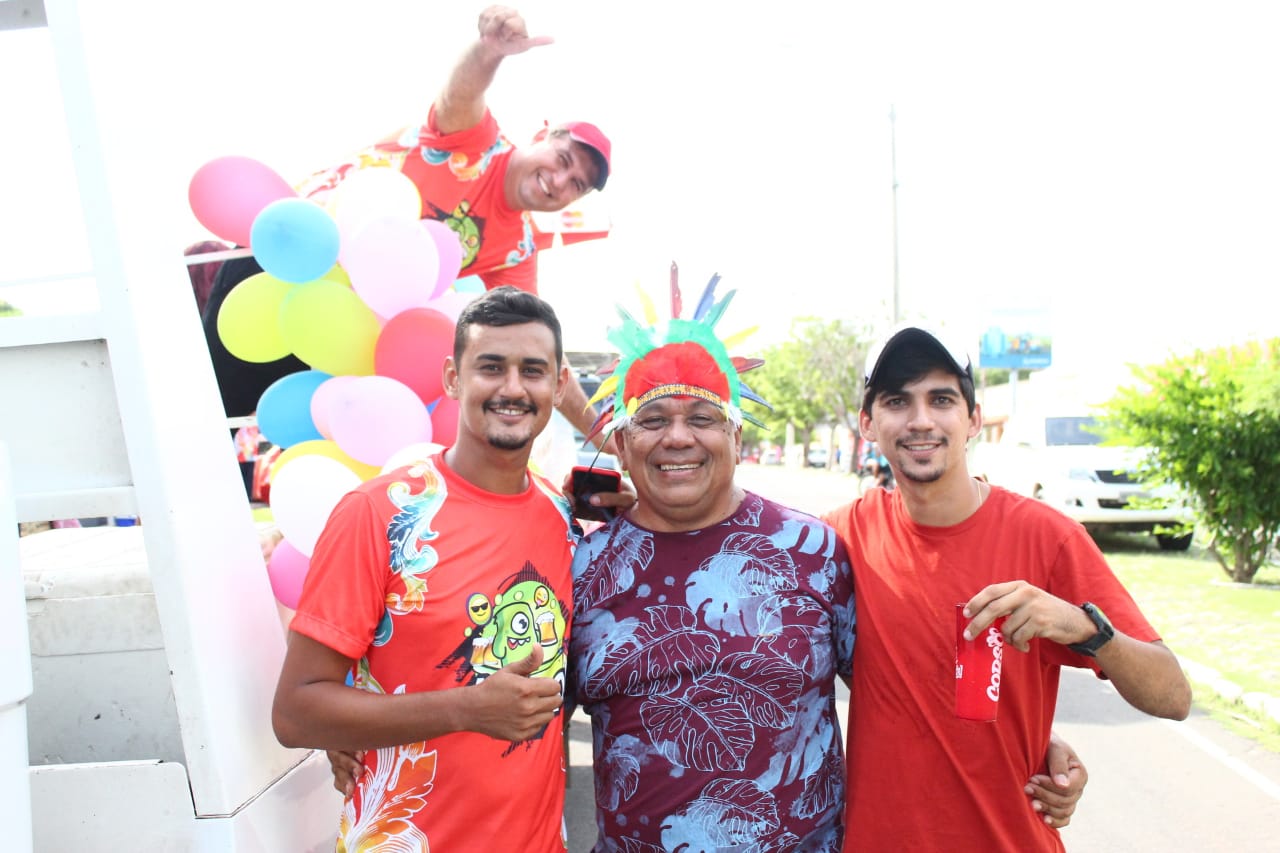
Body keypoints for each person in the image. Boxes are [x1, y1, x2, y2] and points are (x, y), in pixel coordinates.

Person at [823, 325, 1192, 852]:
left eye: (942, 399)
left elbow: (1173, 696)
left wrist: (1081, 625)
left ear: (973, 419)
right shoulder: (837, 540)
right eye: (898, 401)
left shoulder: (1049, 538)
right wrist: (1035, 739)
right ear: (868, 423)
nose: (921, 420)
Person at [203, 5, 610, 439]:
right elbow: (461, 94)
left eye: (577, 184)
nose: (560, 181)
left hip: (336, 332)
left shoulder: (517, 248)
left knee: (230, 431)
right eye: (563, 160)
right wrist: (489, 52)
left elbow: (538, 343)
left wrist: (603, 435)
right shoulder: (476, 141)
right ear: (538, 140)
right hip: (279, 272)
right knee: (198, 401)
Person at [272, 286, 578, 851]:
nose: (513, 388)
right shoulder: (380, 514)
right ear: (453, 378)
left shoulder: (561, 517)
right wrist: (464, 709)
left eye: (533, 370)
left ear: (558, 386)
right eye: (491, 367)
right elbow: (295, 711)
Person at [568, 280, 855, 849]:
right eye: (652, 420)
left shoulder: (816, 550)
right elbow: (523, 728)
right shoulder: (579, 568)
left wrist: (1030, 747)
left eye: (702, 417)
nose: (678, 437)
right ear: (622, 448)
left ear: (736, 436)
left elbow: (897, 697)